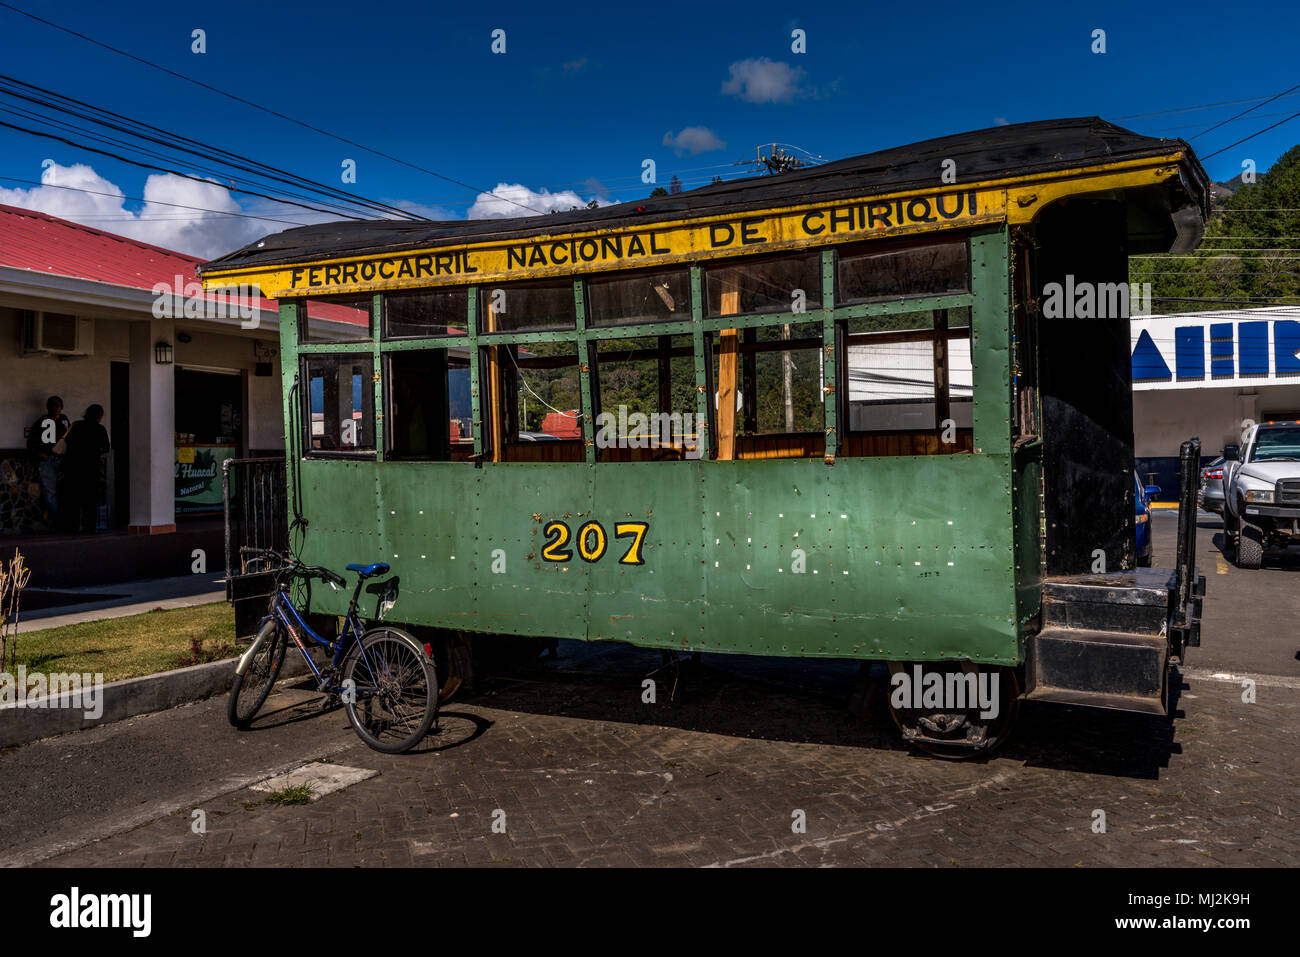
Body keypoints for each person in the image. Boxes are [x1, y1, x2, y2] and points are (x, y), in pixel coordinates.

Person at [61, 403, 111, 534]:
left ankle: (71, 527)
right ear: (99, 416)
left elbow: (66, 441)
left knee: (73, 500)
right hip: (91, 468)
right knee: (90, 500)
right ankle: (89, 527)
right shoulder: (100, 429)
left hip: (73, 467)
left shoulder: (76, 425)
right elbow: (106, 448)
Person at [26, 395, 70, 529]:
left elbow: (68, 438)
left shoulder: (64, 421)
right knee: (49, 493)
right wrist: (40, 454)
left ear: (61, 407)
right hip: (47, 461)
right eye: (52, 406)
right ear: (47, 407)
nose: (55, 409)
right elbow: (31, 443)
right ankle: (61, 522)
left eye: (57, 406)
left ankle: (64, 520)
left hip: (61, 459)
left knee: (63, 491)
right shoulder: (41, 423)